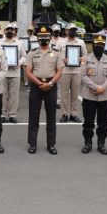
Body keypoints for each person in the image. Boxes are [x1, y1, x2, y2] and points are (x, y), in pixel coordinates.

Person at [23, 26, 64, 154]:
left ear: (51, 37)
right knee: (33, 115)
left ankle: (51, 144)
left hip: (51, 86)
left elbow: (59, 71)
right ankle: (32, 144)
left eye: (46, 36)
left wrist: (50, 83)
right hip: (36, 86)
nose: (44, 39)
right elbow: (27, 71)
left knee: (51, 116)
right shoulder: (32, 52)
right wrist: (39, 82)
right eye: (41, 37)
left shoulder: (57, 52)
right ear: (38, 38)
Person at [80, 35, 107, 155]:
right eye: (96, 44)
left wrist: (103, 87)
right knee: (88, 121)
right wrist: (96, 87)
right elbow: (83, 75)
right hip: (89, 95)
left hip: (105, 96)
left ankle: (101, 143)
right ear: (93, 45)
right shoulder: (85, 58)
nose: (98, 46)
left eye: (101, 44)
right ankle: (88, 143)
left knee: (103, 122)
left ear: (104, 46)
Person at [0, 23, 26, 123]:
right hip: (2, 73)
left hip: (15, 72)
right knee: (2, 94)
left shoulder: (19, 43)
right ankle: (2, 114)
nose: (10, 32)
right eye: (8, 30)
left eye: (11, 30)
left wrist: (19, 63)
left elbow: (24, 56)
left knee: (14, 95)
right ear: (4, 31)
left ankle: (12, 114)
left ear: (14, 31)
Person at [57, 23, 86, 123]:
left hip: (77, 71)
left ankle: (74, 114)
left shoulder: (81, 42)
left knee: (75, 94)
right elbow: (56, 56)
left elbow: (85, 57)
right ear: (66, 31)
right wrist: (63, 60)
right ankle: (64, 114)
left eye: (74, 30)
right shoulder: (61, 42)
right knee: (64, 94)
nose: (72, 31)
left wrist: (80, 59)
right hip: (65, 71)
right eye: (70, 30)